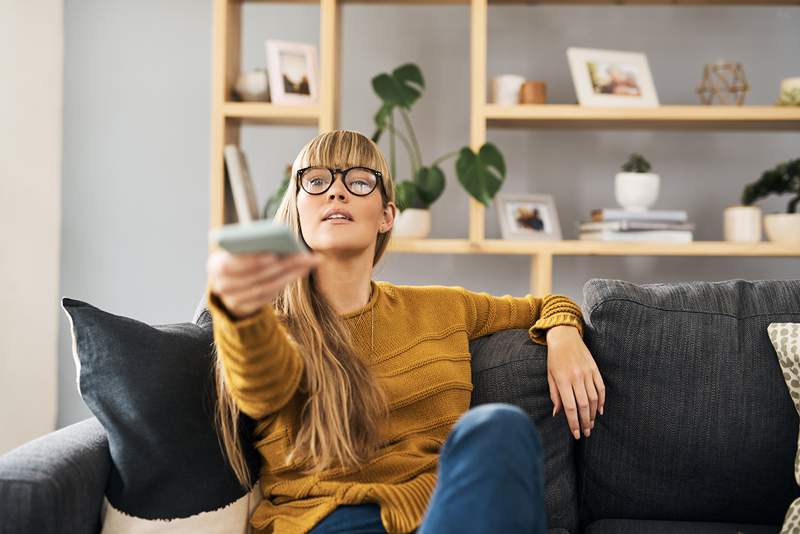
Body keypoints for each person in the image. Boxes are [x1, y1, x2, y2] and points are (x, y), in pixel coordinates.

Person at [205, 130, 606, 534]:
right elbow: (261, 387)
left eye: (359, 181)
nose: (336, 192)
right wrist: (240, 312)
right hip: (328, 522)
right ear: (297, 206)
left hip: (441, 518)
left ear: (387, 216)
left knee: (500, 427)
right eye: (316, 180)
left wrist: (564, 334)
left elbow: (546, 304)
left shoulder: (442, 307)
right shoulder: (271, 324)